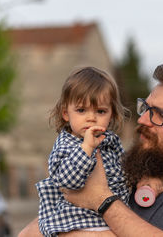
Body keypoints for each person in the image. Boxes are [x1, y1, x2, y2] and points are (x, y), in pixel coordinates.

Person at [19, 63, 163, 237]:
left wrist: (102, 199)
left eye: (159, 114)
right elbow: (30, 233)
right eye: (145, 108)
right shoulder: (124, 168)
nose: (143, 120)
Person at [35, 66, 130, 236]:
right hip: (78, 221)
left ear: (113, 115)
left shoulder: (110, 140)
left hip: (112, 218)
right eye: (81, 110)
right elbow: (67, 181)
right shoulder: (67, 144)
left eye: (101, 111)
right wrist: (86, 148)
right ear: (66, 113)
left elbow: (124, 171)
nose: (91, 118)